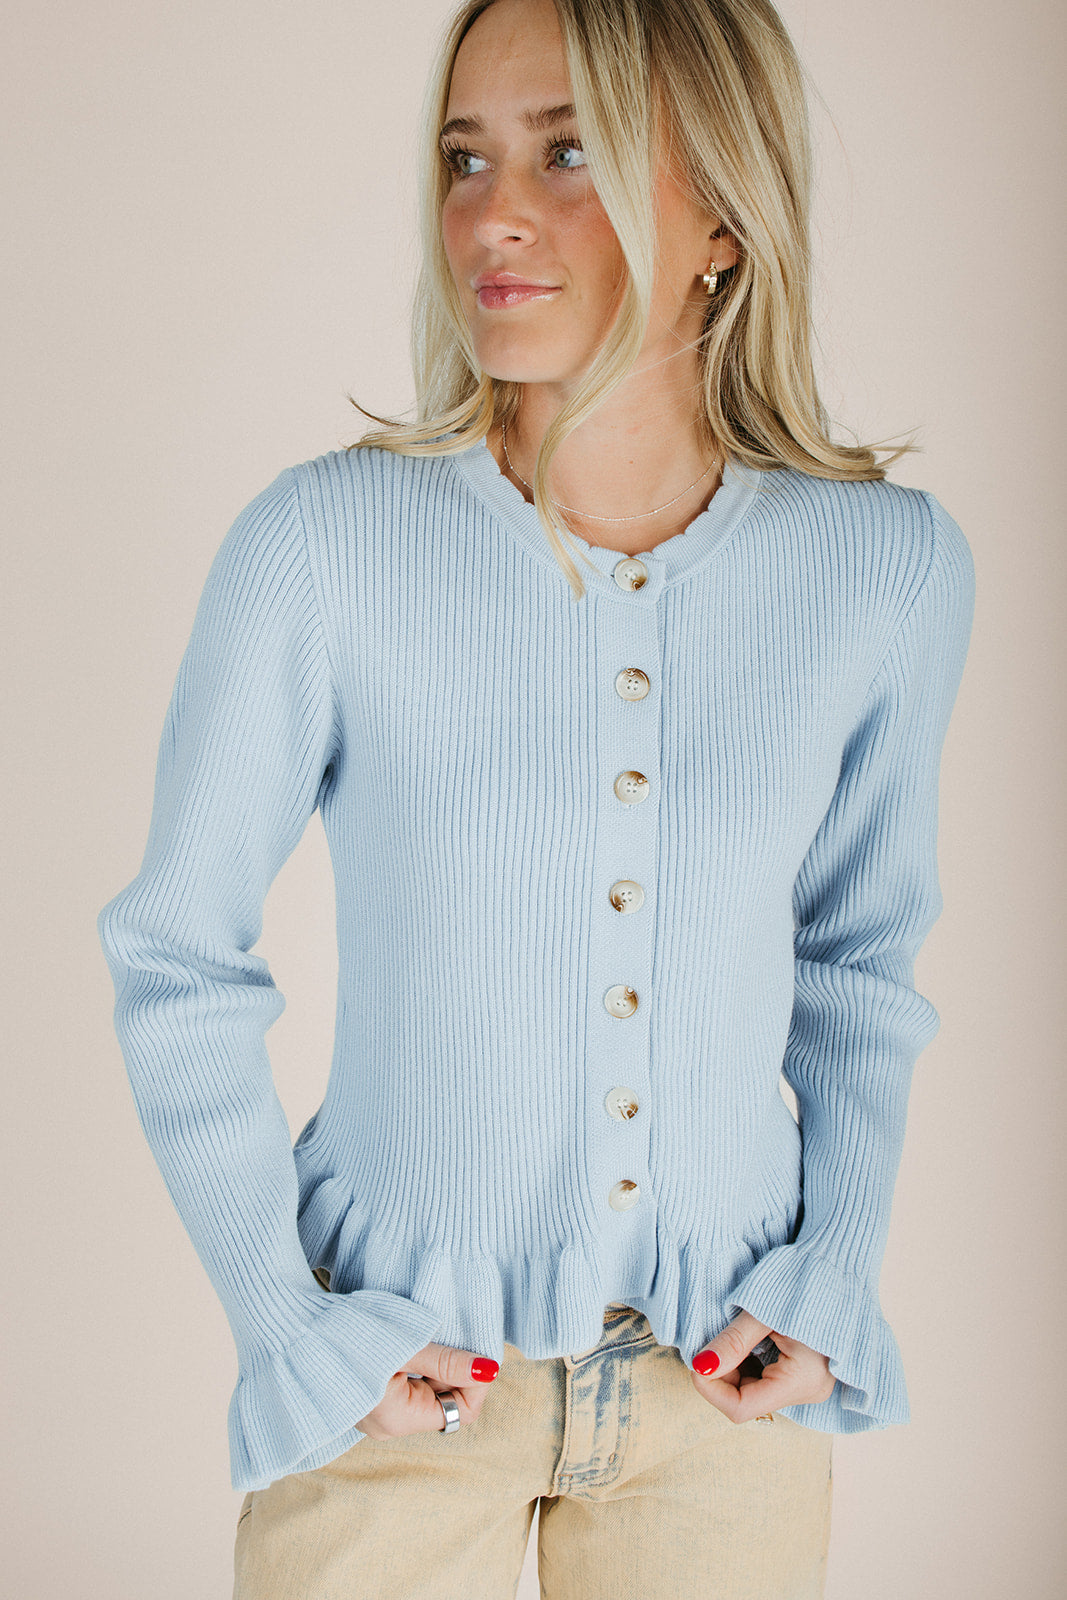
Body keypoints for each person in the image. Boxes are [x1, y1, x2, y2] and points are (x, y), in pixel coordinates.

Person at [96, 0, 975, 1594]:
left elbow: (857, 963)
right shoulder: (325, 547)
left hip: (725, 1403)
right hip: (392, 1387)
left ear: (725, 213)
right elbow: (177, 955)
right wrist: (290, 1327)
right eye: (465, 158)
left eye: (568, 153)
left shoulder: (884, 570)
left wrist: (834, 1265)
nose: (491, 215)